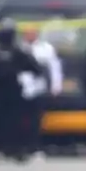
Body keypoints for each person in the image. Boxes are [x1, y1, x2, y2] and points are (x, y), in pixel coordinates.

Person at [0, 19, 42, 163]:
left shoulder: (6, 51)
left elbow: (34, 68)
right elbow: (35, 68)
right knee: (7, 121)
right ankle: (5, 150)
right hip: (5, 90)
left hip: (7, 91)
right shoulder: (4, 51)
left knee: (6, 121)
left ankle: (6, 150)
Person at [21, 27, 62, 158]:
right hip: (20, 89)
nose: (30, 35)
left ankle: (36, 146)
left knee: (37, 119)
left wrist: (56, 85)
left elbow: (55, 67)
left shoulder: (46, 48)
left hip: (38, 89)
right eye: (27, 33)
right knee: (21, 119)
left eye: (32, 33)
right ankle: (20, 146)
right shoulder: (19, 49)